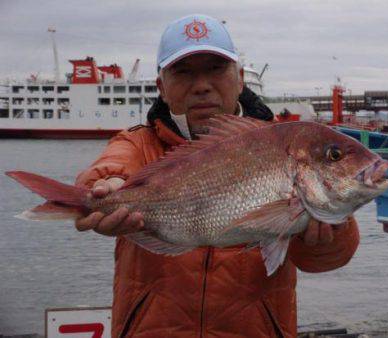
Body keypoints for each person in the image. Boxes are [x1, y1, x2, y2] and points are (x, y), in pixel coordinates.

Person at [75, 14, 360, 338]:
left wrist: (332, 230)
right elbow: (112, 166)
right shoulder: (137, 143)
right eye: (183, 72)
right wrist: (102, 189)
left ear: (239, 79)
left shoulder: (284, 148)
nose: (201, 86)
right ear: (161, 88)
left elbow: (324, 261)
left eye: (215, 68)